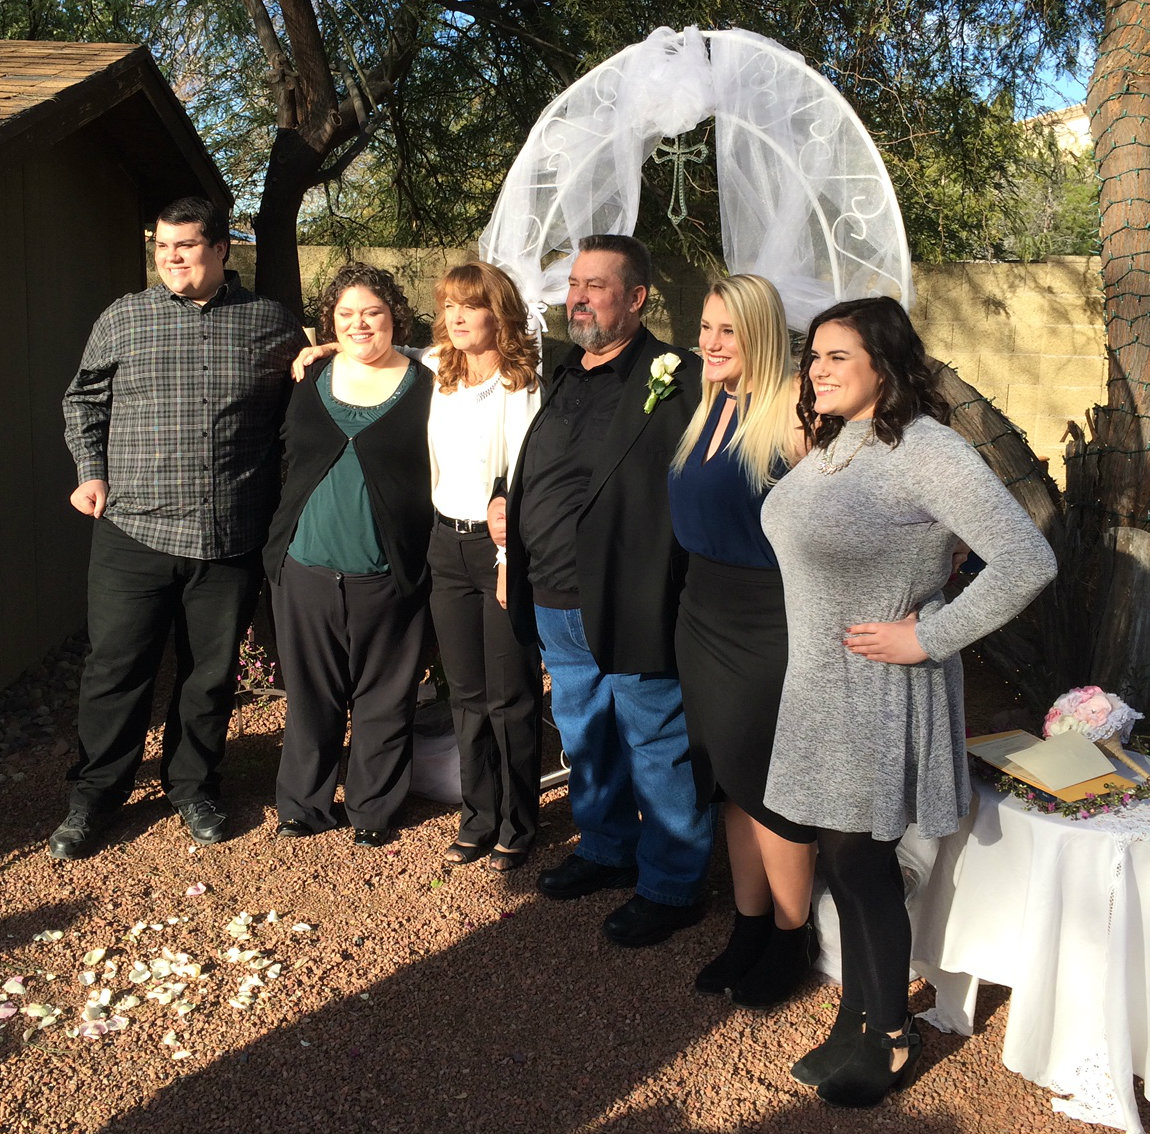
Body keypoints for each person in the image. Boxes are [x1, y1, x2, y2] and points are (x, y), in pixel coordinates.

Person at [759, 296, 1057, 1107]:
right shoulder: (834, 444)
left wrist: (931, 635)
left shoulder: (929, 450)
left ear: (883, 368)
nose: (815, 370)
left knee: (861, 864)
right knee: (840, 860)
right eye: (812, 357)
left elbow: (1027, 558)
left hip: (879, 692)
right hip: (818, 690)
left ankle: (890, 1033)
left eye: (836, 357)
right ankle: (856, 1015)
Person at [52, 197, 307, 860]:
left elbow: (300, 406)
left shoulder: (270, 324)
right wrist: (90, 470)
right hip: (132, 529)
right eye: (163, 246)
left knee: (210, 675)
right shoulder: (125, 318)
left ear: (222, 249)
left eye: (186, 246)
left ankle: (193, 784)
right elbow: (84, 399)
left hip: (228, 536)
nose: (171, 258)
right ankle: (96, 795)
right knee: (116, 668)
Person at [495, 233, 713, 947]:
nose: (578, 298)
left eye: (596, 285)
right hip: (552, 593)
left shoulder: (677, 375)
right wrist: (507, 506)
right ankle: (605, 847)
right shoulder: (563, 372)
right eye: (573, 284)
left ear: (637, 297)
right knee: (584, 729)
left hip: (629, 591)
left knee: (654, 737)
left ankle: (674, 882)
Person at [668, 275, 819, 1004]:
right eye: (705, 328)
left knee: (772, 786)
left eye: (727, 330)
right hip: (703, 614)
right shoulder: (709, 408)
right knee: (730, 781)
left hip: (771, 621)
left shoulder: (796, 413)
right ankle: (749, 925)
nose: (710, 342)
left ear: (760, 332)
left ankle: (795, 936)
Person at [264, 263, 432, 847]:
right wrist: (322, 350)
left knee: (385, 697)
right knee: (311, 696)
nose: (361, 324)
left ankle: (372, 809)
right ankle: (302, 805)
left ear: (395, 318)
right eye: (346, 315)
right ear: (330, 324)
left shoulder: (430, 381)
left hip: (386, 572)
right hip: (304, 567)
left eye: (373, 313)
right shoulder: (307, 378)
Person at [425, 263, 543, 872]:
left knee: (511, 694)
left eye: (470, 306)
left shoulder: (521, 384)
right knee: (466, 692)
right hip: (446, 547)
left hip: (500, 549)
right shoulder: (438, 373)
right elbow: (377, 350)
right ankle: (478, 814)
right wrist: (331, 344)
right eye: (449, 307)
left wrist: (507, 561)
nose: (457, 317)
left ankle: (520, 821)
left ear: (500, 313)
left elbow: (522, 485)